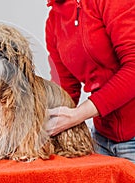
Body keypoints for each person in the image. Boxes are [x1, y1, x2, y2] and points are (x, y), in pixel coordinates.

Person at [44, 0, 135, 163]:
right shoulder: (53, 22)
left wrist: (78, 115)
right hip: (102, 139)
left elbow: (133, 69)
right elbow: (65, 90)